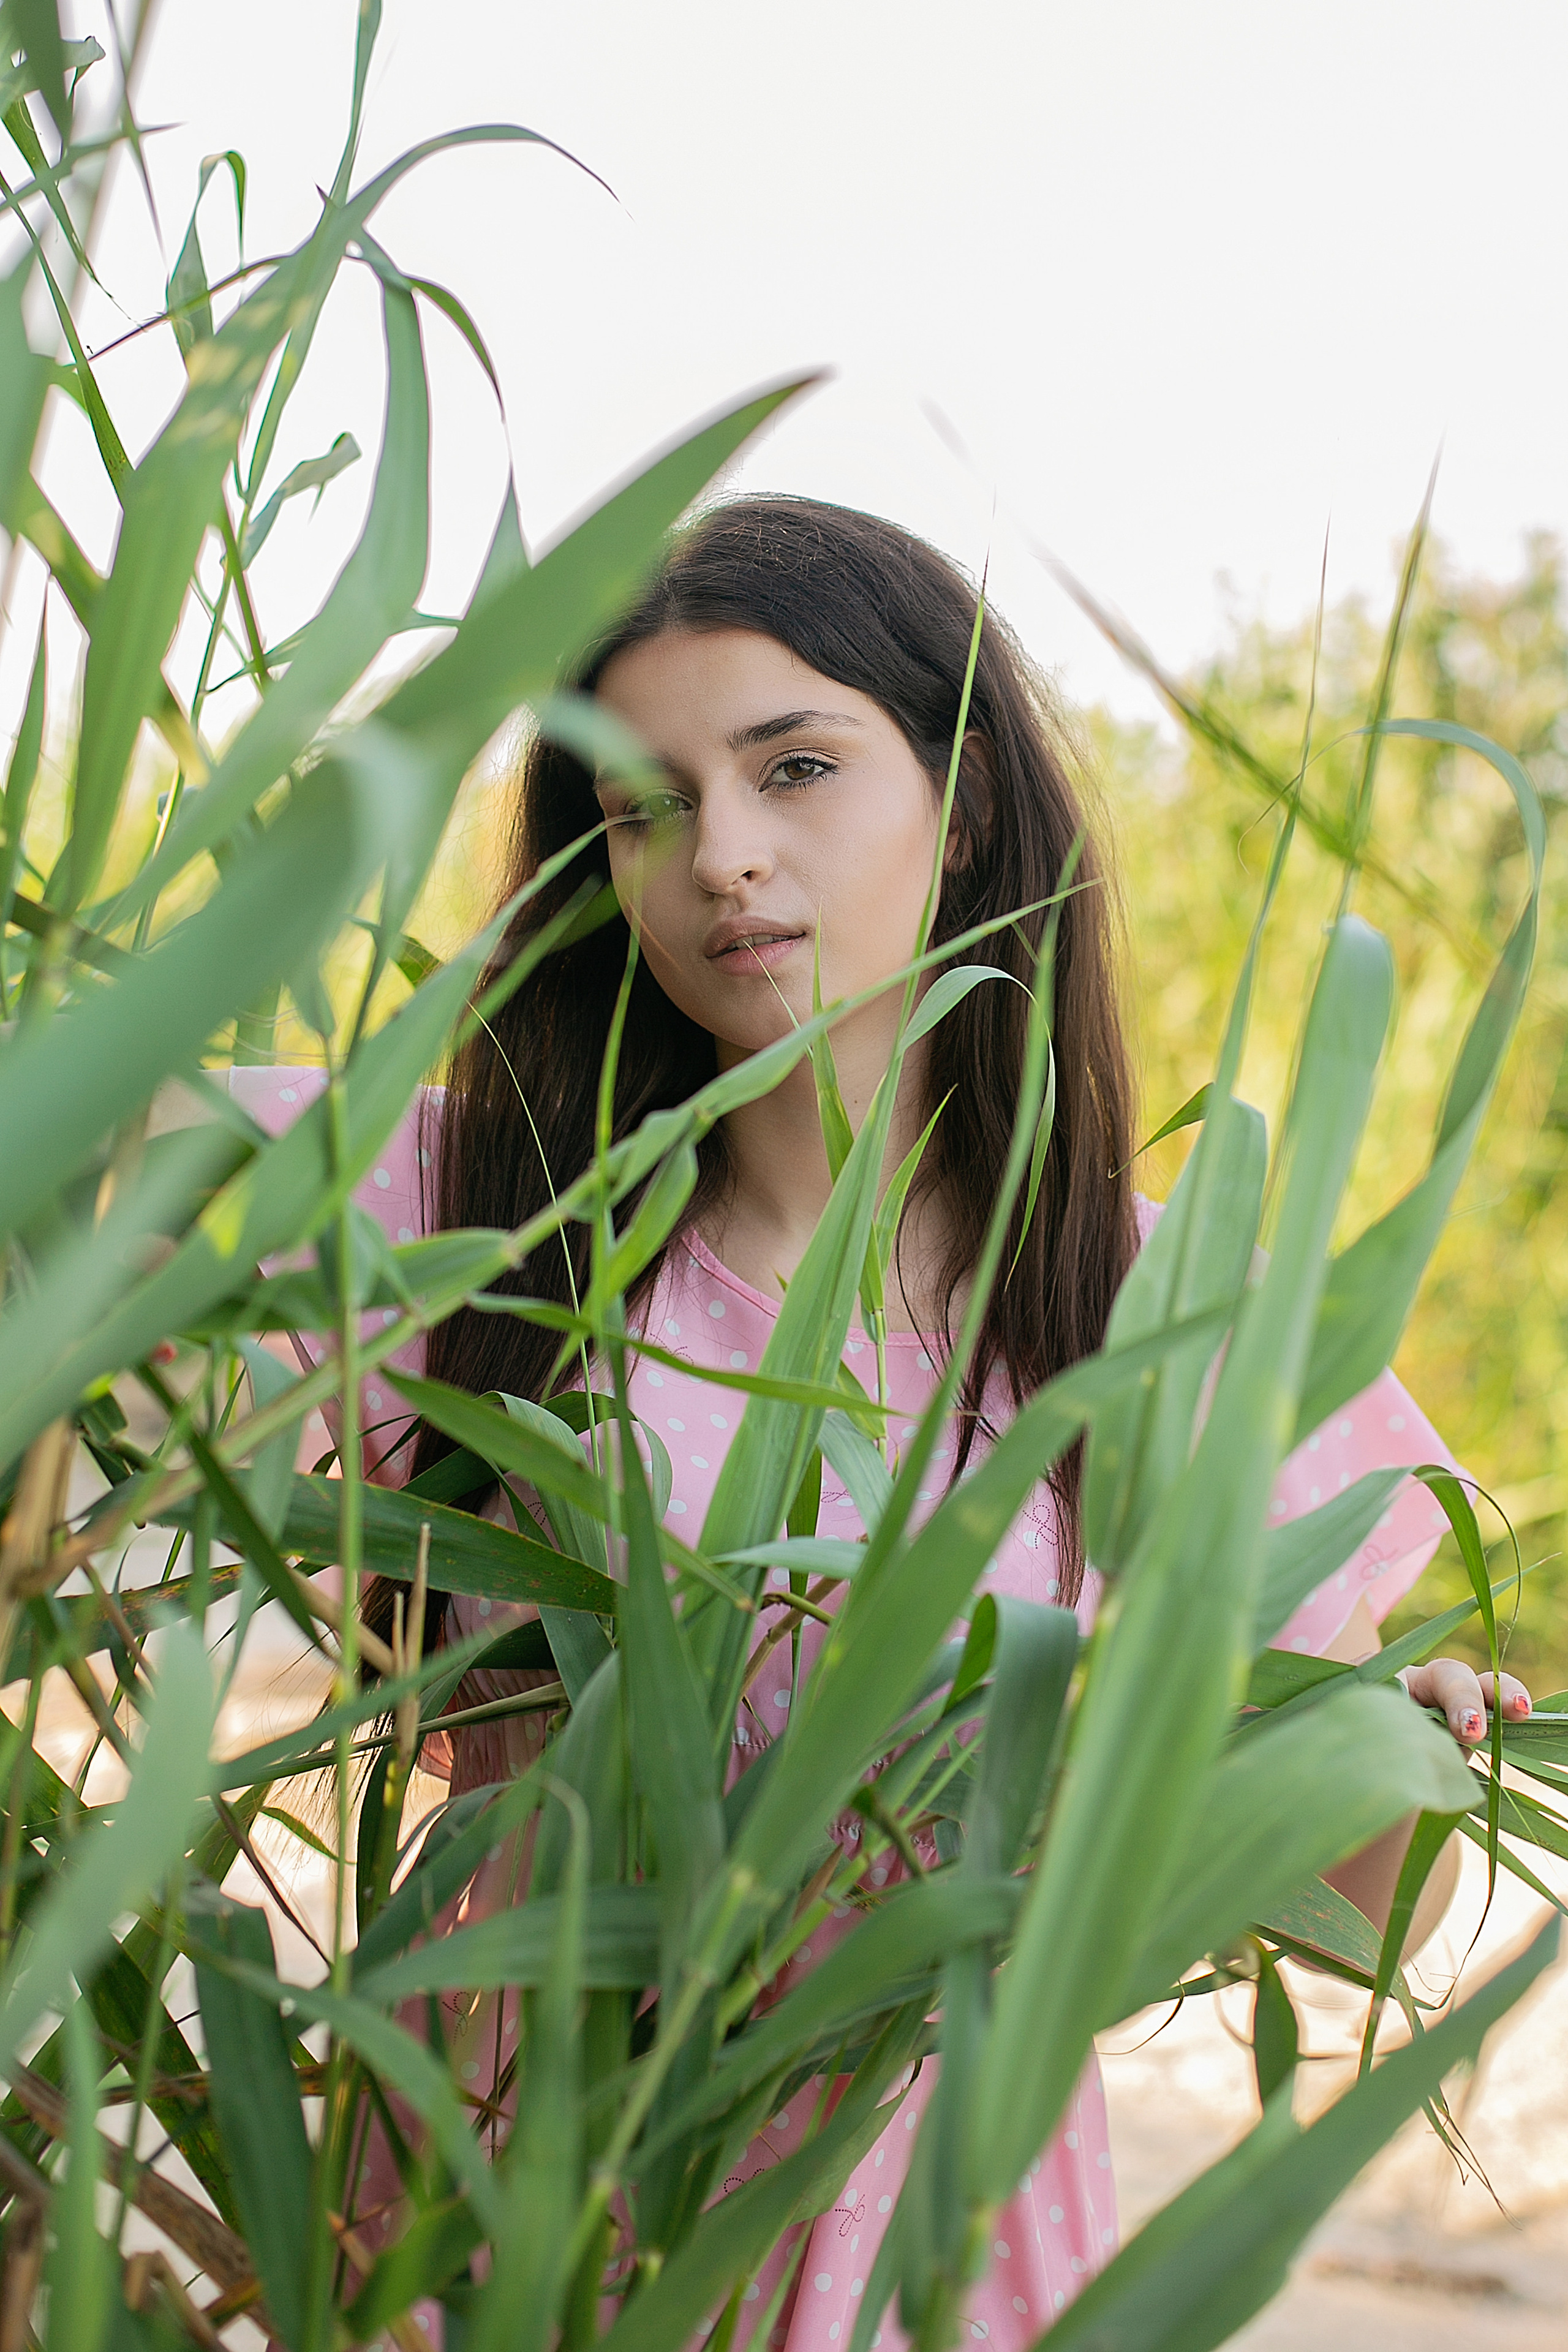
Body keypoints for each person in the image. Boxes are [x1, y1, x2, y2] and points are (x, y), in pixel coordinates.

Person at [232, 496, 1531, 2347]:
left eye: (798, 767)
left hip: (921, 2239)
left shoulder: (1165, 1312)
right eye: (647, 809)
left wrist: (1391, 1751)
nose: (725, 860)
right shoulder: (464, 1214)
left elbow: (1356, 1900)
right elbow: (90, 1168)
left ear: (972, 798)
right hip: (490, 2214)